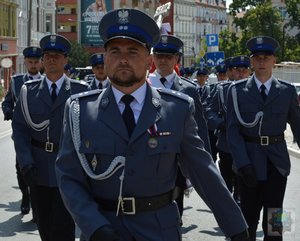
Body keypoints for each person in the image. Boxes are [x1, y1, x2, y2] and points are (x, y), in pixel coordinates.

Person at [56, 8, 249, 241]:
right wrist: (96, 228)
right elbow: (68, 177)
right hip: (104, 229)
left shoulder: (176, 109)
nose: (123, 59)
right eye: (115, 51)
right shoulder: (80, 111)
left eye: (133, 51)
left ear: (149, 61)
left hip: (159, 230)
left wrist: (236, 227)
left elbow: (203, 171)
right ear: (105, 58)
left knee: (274, 223)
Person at [12, 34, 90, 241]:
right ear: (43, 60)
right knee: (44, 226)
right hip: (38, 170)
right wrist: (25, 163)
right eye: (48, 56)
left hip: (69, 170)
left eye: (57, 56)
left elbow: (90, 133)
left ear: (66, 60)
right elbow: (19, 130)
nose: (52, 60)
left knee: (63, 227)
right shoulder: (28, 92)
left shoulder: (81, 92)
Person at [226, 36, 300, 241]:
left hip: (277, 163)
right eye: (257, 57)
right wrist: (242, 164)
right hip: (248, 162)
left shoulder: (286, 91)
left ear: (274, 60)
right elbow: (233, 131)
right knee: (247, 219)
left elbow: (298, 126)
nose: (261, 61)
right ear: (251, 61)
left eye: (266, 57)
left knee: (276, 219)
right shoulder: (237, 91)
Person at [148, 34, 211, 223]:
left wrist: (205, 162)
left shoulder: (188, 89)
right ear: (153, 58)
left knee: (174, 214)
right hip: (147, 158)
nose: (163, 60)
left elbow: (199, 127)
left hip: (176, 162)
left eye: (169, 56)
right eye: (159, 56)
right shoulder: (144, 85)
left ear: (177, 59)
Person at [2, 46, 43, 219]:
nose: (33, 65)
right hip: (22, 136)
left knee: (40, 169)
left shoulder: (47, 82)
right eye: (30, 62)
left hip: (42, 135)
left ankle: (37, 201)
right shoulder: (17, 81)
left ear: (41, 63)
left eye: (36, 62)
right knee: (21, 168)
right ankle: (26, 196)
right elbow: (8, 100)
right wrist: (7, 110)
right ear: (25, 62)